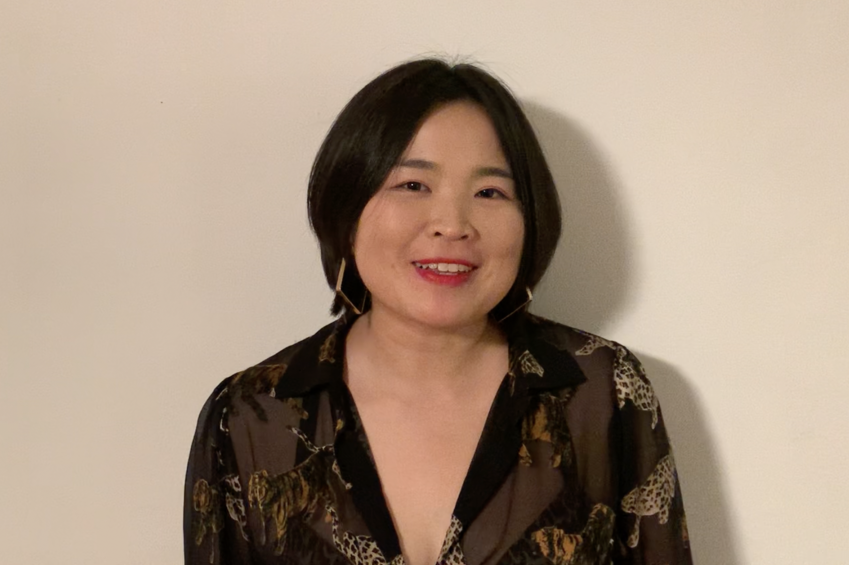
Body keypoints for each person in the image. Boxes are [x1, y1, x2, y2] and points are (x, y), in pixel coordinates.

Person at [184, 58, 692, 565]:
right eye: (413, 185)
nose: (452, 224)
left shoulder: (601, 391)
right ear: (346, 208)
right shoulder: (251, 416)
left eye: (490, 192)